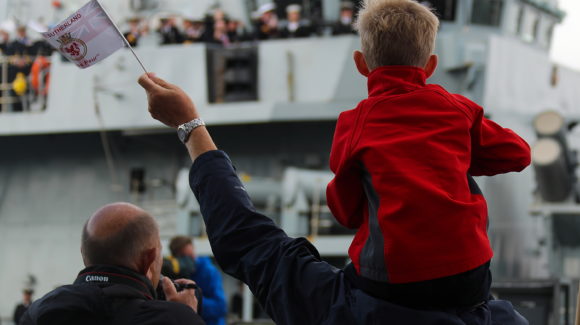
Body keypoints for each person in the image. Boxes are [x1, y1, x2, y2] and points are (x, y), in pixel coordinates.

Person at [137, 72, 528, 324]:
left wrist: (191, 126)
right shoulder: (504, 319)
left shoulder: (338, 312)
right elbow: (518, 153)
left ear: (361, 63)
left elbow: (246, 239)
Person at [325, 0, 531, 310]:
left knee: (342, 294)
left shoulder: (353, 123)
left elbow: (345, 211)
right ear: (430, 66)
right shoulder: (457, 108)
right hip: (467, 271)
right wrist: (456, 156)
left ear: (361, 63)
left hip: (393, 280)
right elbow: (518, 154)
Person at [19, 203, 204, 325]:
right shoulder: (173, 319)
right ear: (148, 259)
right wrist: (185, 315)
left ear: (84, 255)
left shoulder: (38, 313)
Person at [162, 236, 227, 325]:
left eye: (191, 255)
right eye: (185, 257)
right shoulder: (174, 274)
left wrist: (193, 299)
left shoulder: (209, 271)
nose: (190, 260)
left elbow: (220, 307)